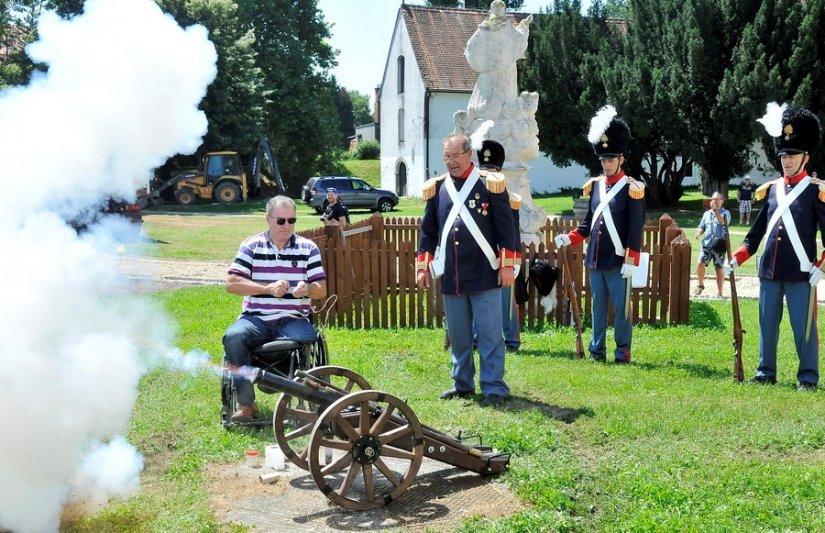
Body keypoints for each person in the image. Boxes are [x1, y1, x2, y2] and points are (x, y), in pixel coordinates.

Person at [417, 133, 519, 408]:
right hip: (453, 276)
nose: (451, 162)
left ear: (468, 155)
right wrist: (423, 267)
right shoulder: (438, 188)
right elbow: (428, 232)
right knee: (460, 336)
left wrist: (507, 266)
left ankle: (494, 386)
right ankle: (462, 383)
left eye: (455, 156)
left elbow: (506, 229)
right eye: (446, 157)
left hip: (485, 273)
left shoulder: (490, 185)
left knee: (489, 335)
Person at [727, 103, 825, 391]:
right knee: (767, 327)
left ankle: (807, 377)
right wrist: (738, 257)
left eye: (793, 154)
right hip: (768, 271)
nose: (787, 160)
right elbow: (756, 233)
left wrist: (820, 267)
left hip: (800, 273)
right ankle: (765, 371)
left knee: (804, 330)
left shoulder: (816, 192)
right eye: (783, 155)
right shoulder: (772, 191)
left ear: (806, 156)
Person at [223, 196, 327, 420]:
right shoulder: (251, 246)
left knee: (309, 336)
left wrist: (306, 288)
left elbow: (322, 289)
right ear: (268, 219)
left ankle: (307, 393)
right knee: (233, 337)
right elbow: (231, 284)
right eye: (281, 221)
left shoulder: (308, 248)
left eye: (292, 221)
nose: (287, 226)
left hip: (293, 317)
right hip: (256, 318)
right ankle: (247, 405)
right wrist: (267, 288)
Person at [554, 105, 645, 364]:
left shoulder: (633, 189)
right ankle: (597, 351)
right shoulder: (596, 187)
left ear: (621, 159)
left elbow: (635, 229)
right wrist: (569, 238)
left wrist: (631, 260)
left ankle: (622, 351)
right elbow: (589, 224)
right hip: (595, 259)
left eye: (611, 159)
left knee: (622, 312)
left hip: (619, 261)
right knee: (598, 308)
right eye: (603, 160)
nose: (606, 164)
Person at [473, 139, 522, 352]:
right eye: (485, 171)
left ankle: (511, 339)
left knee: (505, 302)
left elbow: (512, 232)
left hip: (500, 257)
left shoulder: (509, 198)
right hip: (481, 256)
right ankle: (479, 338)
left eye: (490, 171)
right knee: (478, 299)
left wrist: (513, 261)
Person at [694, 192, 731, 298]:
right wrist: (699, 233)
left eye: (718, 199)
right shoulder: (706, 214)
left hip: (719, 245)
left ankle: (720, 293)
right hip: (706, 244)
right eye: (713, 199)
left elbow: (722, 222)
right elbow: (702, 226)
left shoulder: (725, 213)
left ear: (722, 201)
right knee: (700, 263)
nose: (715, 201)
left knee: (719, 268)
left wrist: (715, 210)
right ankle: (700, 285)